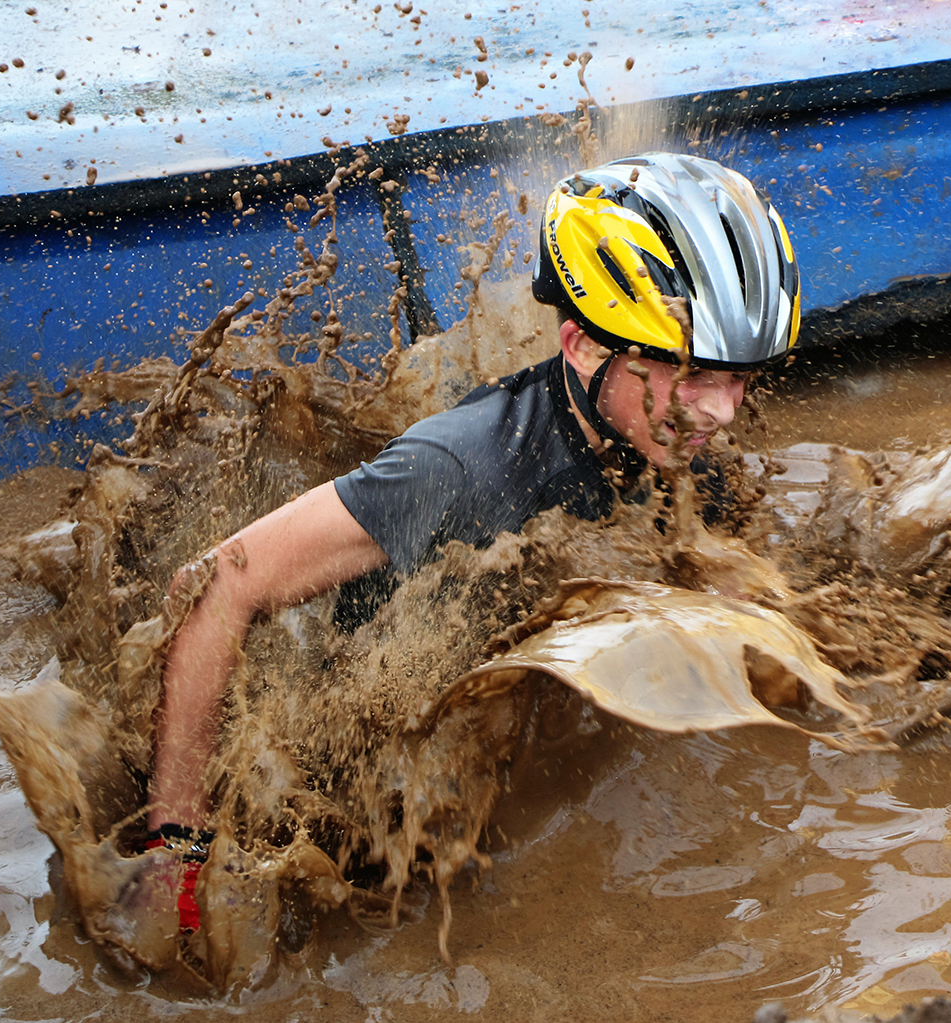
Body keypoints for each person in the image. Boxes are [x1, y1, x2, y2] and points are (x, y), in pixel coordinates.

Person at [141, 151, 802, 930]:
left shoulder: (680, 457)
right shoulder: (457, 469)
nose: (723, 412)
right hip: (361, 764)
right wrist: (177, 841)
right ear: (583, 347)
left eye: (742, 379)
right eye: (692, 374)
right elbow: (222, 581)